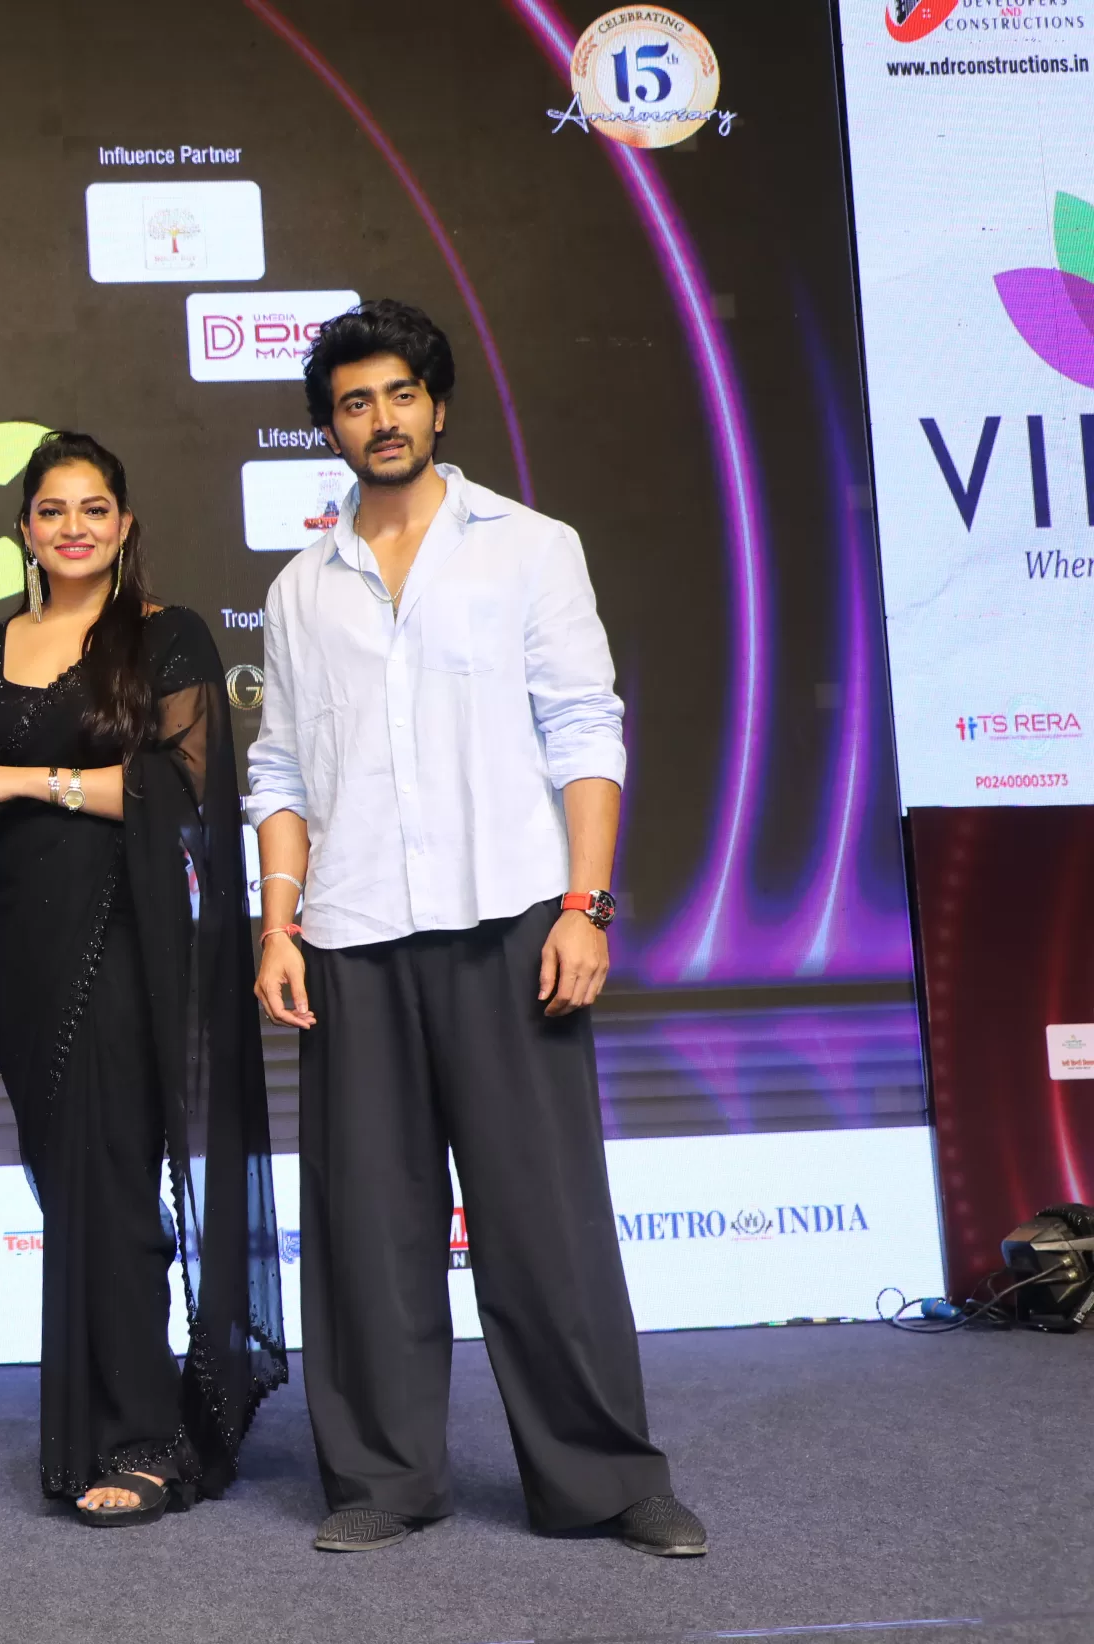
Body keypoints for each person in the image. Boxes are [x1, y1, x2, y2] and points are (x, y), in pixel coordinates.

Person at [248, 299, 706, 1557]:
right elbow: (279, 770)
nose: (380, 418)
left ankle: (604, 1479)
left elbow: (586, 728)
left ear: (437, 407)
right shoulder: (298, 589)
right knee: (366, 1230)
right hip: (350, 936)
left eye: (400, 393)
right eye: (354, 402)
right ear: (329, 428)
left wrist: (584, 905)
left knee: (545, 1223)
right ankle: (381, 1480)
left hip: (513, 921)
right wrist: (277, 927)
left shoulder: (530, 549)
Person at [0, 431, 285, 1526]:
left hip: (119, 933)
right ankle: (109, 1415)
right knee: (68, 1183)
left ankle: (146, 1438)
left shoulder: (166, 636)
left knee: (116, 1178)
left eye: (93, 509)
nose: (72, 527)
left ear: (123, 526)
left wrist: (25, 778)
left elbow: (181, 789)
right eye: (52, 510)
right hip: (11, 939)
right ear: (23, 529)